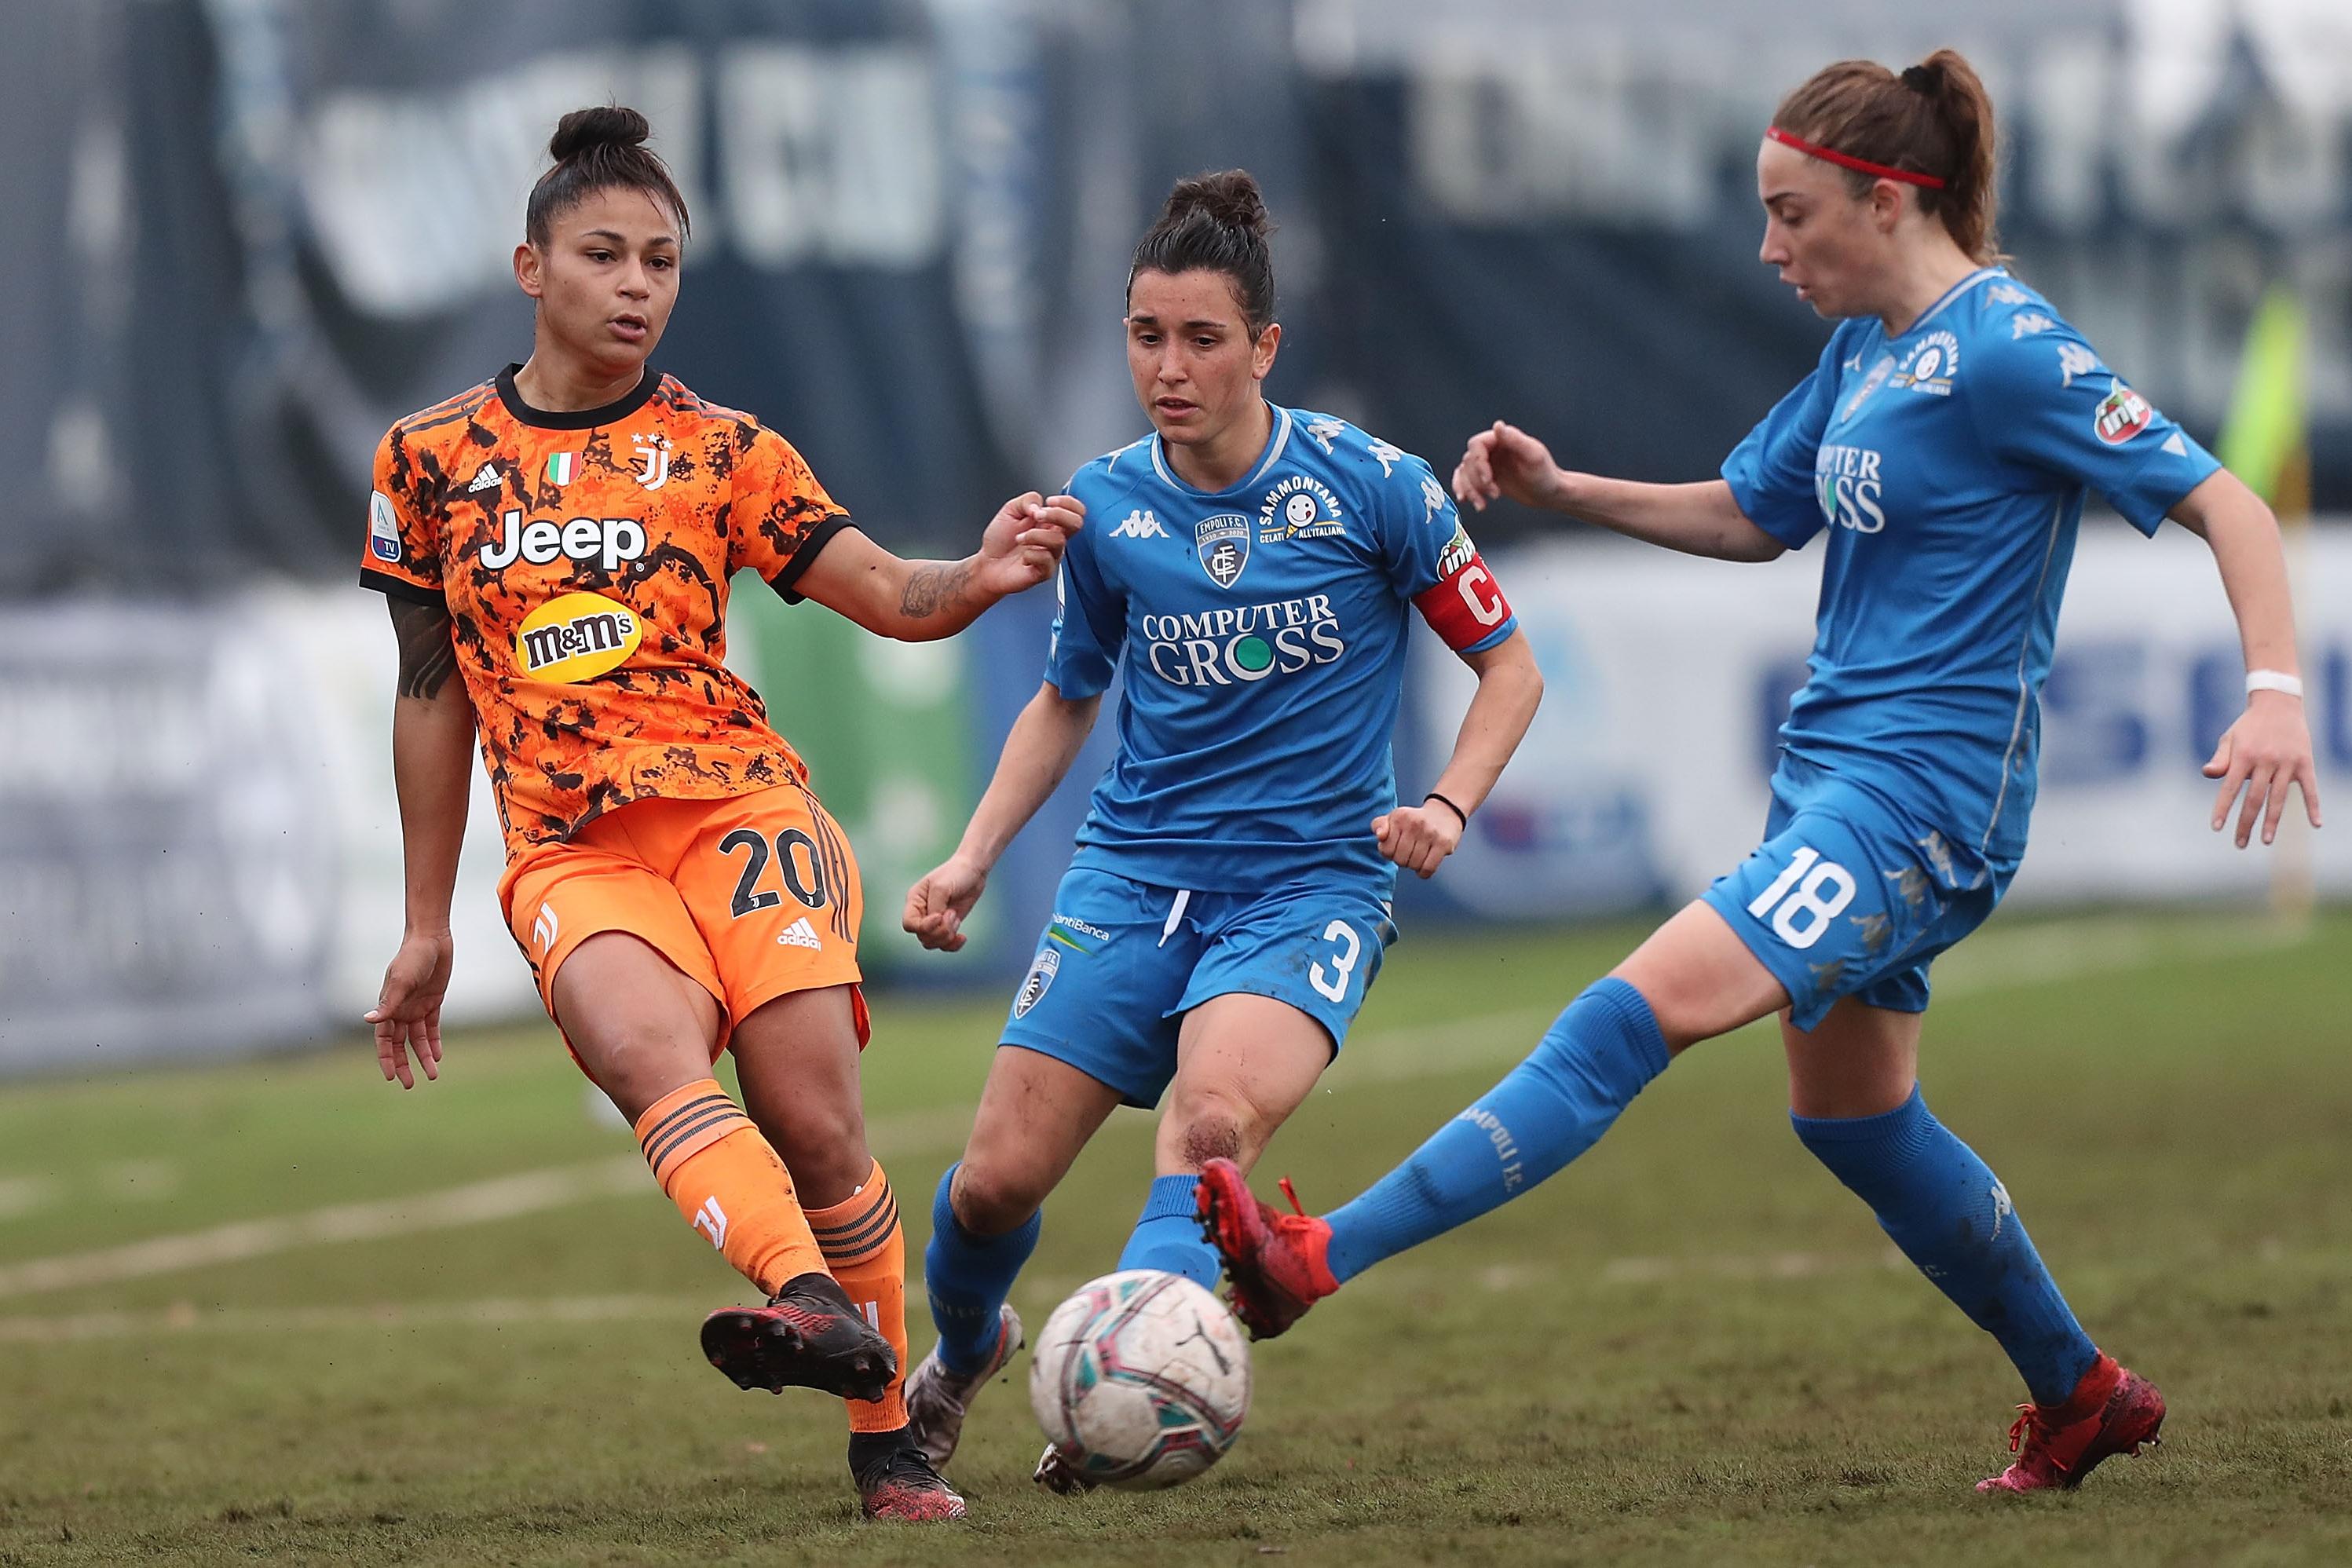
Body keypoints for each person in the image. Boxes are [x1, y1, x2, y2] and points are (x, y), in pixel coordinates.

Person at [1199, 50, 2323, 1495]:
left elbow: (2228, 502)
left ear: (1889, 198)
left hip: (1916, 805)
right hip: (1833, 786)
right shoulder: (1866, 350)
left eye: (1793, 216)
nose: (1770, 249)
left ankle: (1316, 1257)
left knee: (1624, 1017)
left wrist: (2276, 691)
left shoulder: (2009, 348)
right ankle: (2082, 1390)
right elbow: (1751, 512)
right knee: (1852, 1118)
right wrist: (1566, 491)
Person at [357, 105, 1081, 1523]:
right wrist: (425, 921)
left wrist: (983, 573)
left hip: (742, 808)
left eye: (663, 261)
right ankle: (816, 1310)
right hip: (570, 844)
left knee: (813, 1127)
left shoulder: (725, 447)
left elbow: (886, 591)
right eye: (605, 255)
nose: (637, 285)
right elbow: (432, 692)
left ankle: (886, 1435)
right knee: (643, 1052)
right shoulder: (426, 460)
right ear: (530, 265)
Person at [895, 170, 1545, 1493]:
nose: (1170, 367)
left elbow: (1511, 667)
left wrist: (1445, 804)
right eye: (1147, 337)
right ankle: (966, 1350)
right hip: (1132, 877)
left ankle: (1133, 1391)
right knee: (989, 1186)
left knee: (1209, 1129)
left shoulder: (1378, 488)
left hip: (1308, 891)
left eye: (1202, 339)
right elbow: (1068, 695)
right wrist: (971, 857)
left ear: (1266, 347)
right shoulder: (1107, 508)